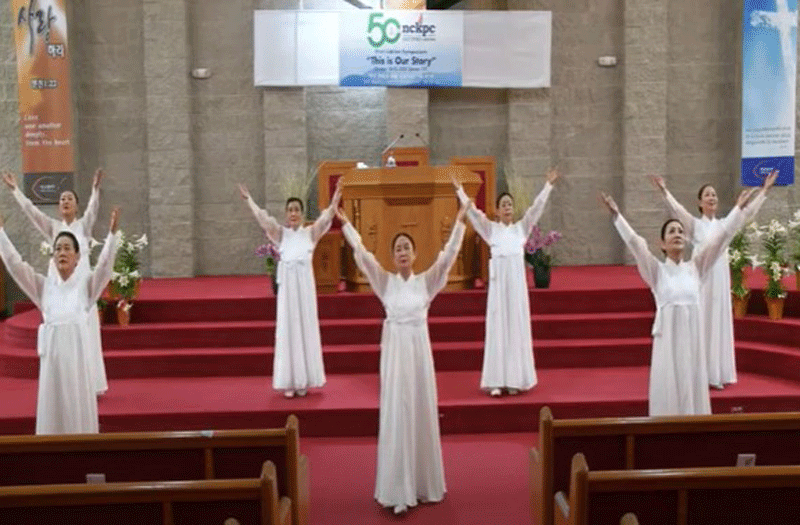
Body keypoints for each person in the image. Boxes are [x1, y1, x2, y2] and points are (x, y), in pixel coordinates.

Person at [599, 171, 775, 416]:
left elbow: (722, 237)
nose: (678, 234)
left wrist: (738, 210)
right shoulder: (657, 272)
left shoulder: (696, 268)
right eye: (672, 232)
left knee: (693, 383)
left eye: (680, 231)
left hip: (693, 341)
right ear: (662, 244)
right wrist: (617, 216)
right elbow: (637, 244)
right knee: (670, 385)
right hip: (668, 344)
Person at [336, 195, 467, 515]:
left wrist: (461, 219)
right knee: (398, 413)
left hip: (419, 355)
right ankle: (398, 490)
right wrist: (346, 226)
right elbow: (364, 257)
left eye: (407, 247)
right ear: (393, 257)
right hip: (395, 356)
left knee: (420, 410)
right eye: (398, 249)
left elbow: (449, 256)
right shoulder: (385, 282)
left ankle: (422, 484)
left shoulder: (427, 282)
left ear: (415, 253)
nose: (403, 252)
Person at [0, 207, 120, 434]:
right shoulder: (43, 287)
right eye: (57, 249)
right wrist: (1, 234)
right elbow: (16, 266)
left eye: (67, 248)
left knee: (76, 408)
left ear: (77, 257)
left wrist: (112, 237)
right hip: (52, 365)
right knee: (53, 410)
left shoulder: (86, 287)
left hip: (76, 362)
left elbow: (104, 269)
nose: (62, 253)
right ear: (53, 257)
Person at [651, 175, 767, 389]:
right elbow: (677, 212)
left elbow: (747, 213)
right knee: (703, 321)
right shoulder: (694, 226)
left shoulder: (725, 226)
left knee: (718, 321)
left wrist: (764, 191)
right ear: (699, 203)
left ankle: (717, 372)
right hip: (701, 281)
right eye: (707, 195)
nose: (712, 197)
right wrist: (664, 192)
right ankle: (699, 373)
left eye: (714, 194)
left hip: (720, 280)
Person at [453, 168, 560, 397]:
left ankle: (515, 380)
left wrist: (548, 186)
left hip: (517, 291)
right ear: (497, 211)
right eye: (503, 205)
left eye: (510, 204)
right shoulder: (491, 230)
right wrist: (460, 192)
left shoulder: (521, 229)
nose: (508, 208)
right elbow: (473, 214)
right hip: (499, 291)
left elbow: (536, 210)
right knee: (498, 329)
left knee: (515, 329)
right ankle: (496, 380)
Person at [2, 169, 109, 395]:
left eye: (70, 198)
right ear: (59, 206)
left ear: (76, 206)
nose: (66, 201)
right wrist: (15, 191)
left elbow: (94, 209)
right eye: (62, 199)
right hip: (59, 291)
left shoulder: (83, 225)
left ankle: (90, 383)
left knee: (86, 334)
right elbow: (31, 212)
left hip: (81, 292)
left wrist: (95, 190)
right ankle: (61, 382)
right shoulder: (52, 227)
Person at [238, 181, 342, 398]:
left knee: (304, 331)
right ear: (286, 214)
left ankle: (304, 379)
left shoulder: (310, 234)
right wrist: (250, 201)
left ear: (303, 214)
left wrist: (336, 196)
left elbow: (326, 218)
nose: (293, 213)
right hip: (287, 296)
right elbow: (263, 220)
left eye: (297, 210)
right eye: (290, 210)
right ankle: (289, 381)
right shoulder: (280, 235)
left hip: (304, 295)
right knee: (288, 332)